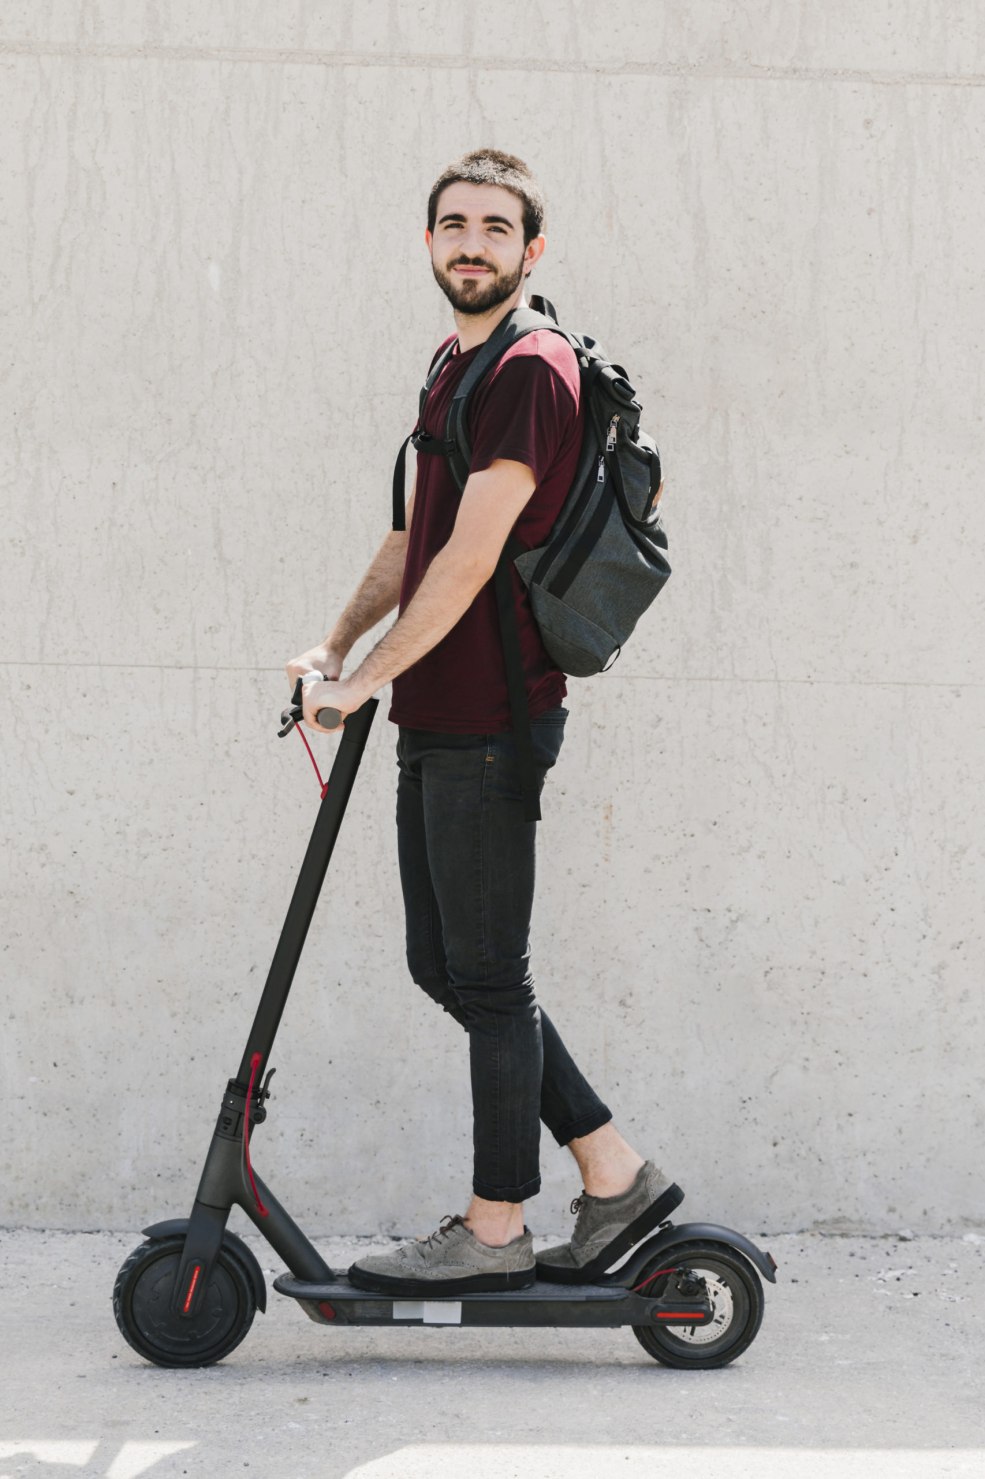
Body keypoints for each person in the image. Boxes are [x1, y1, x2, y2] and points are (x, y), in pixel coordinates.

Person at [285, 149, 676, 1296]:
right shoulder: (455, 364)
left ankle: (495, 1227)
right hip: (438, 712)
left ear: (530, 249)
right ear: (429, 241)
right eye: (454, 224)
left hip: (495, 719)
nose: (471, 243)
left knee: (490, 980)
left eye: (495, 228)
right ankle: (612, 1172)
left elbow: (469, 556)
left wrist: (365, 682)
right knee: (443, 964)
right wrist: (336, 647)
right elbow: (414, 533)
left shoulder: (531, 371)